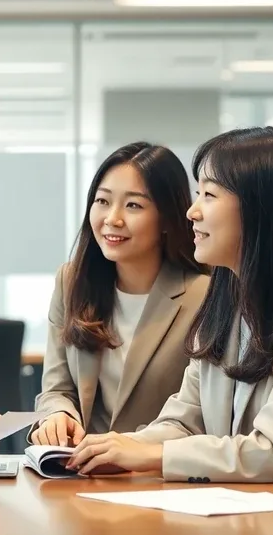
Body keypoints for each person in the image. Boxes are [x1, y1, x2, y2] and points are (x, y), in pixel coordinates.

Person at [65, 127, 273, 527]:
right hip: (250, 515)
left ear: (262, 208)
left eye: (209, 194)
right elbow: (185, 419)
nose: (192, 211)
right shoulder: (231, 292)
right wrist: (115, 447)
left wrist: (151, 455)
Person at [31, 142, 209, 447]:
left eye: (133, 205)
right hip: (83, 473)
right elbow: (56, 388)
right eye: (102, 201)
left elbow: (205, 412)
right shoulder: (71, 282)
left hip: (161, 475)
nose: (112, 218)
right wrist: (58, 416)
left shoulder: (204, 294)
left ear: (167, 218)